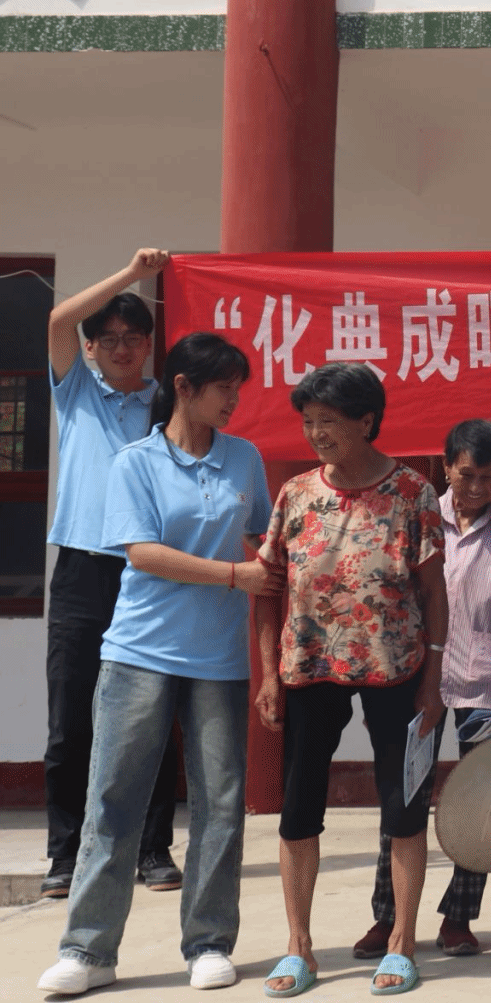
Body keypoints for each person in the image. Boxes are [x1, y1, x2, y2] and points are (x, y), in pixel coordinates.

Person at [37, 334, 276, 997]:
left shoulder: (244, 458)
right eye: (223, 387)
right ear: (184, 388)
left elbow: (264, 545)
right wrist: (235, 575)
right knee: (114, 799)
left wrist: (270, 646)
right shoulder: (134, 462)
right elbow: (142, 552)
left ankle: (209, 942)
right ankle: (87, 950)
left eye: (237, 387)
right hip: (138, 653)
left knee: (220, 805)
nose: (234, 399)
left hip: (219, 661)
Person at [253, 363, 448, 998]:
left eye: (329, 423)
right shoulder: (295, 494)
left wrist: (433, 677)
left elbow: (434, 593)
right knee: (298, 809)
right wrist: (268, 674)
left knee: (404, 808)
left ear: (367, 422)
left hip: (398, 669)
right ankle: (298, 946)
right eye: (309, 422)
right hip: (309, 670)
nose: (316, 434)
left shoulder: (413, 492)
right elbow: (268, 589)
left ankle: (402, 942)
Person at [41, 248, 182, 901]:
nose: (123, 349)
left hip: (150, 572)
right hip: (81, 569)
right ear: (91, 348)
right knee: (72, 720)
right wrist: (131, 276)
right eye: (110, 339)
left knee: (152, 714)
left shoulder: (168, 405)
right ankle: (65, 855)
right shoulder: (74, 391)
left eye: (134, 337)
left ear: (150, 345)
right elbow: (57, 321)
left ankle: (152, 849)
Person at [361, 420, 491, 961]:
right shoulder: (419, 517)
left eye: (488, 477)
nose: (476, 487)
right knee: (403, 799)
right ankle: (387, 917)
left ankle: (459, 918)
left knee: (479, 805)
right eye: (466, 474)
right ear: (447, 466)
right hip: (419, 681)